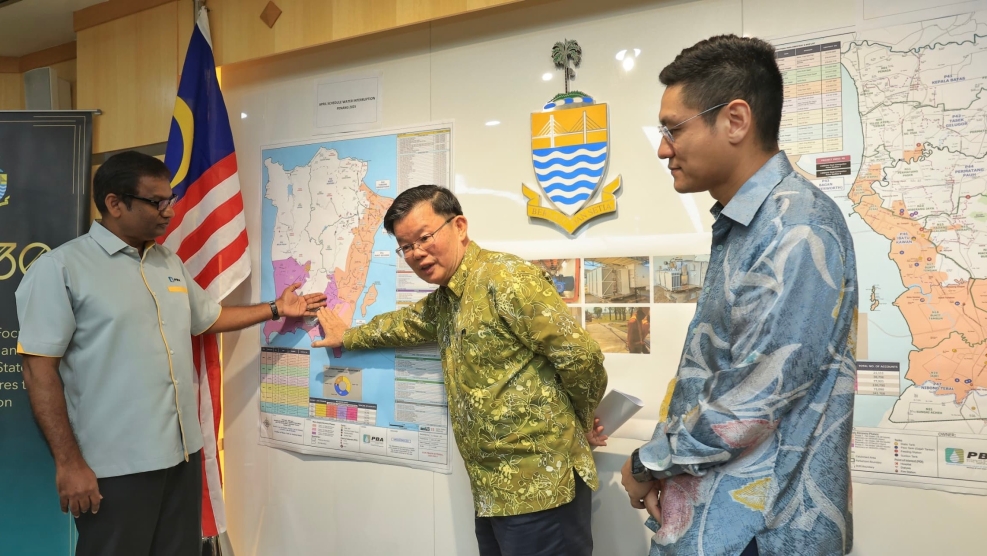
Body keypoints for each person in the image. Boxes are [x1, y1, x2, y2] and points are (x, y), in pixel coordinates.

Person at [15, 151, 326, 556]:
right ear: (115, 203)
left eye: (171, 200)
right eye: (157, 202)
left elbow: (207, 318)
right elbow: (39, 372)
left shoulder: (167, 262)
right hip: (114, 469)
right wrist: (70, 464)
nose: (170, 212)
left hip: (181, 458)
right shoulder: (61, 269)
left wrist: (275, 309)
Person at [620, 35, 858, 556]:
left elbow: (747, 406)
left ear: (734, 120)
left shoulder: (796, 229)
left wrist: (647, 463)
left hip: (761, 533)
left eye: (672, 128)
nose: (663, 148)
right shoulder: (747, 225)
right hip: (718, 522)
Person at [311, 185, 609, 556]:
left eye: (424, 237)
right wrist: (349, 335)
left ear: (460, 226)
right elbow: (405, 324)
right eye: (406, 247)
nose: (417, 253)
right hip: (492, 492)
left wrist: (580, 423)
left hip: (542, 488)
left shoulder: (506, 279)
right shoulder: (448, 298)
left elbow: (582, 358)